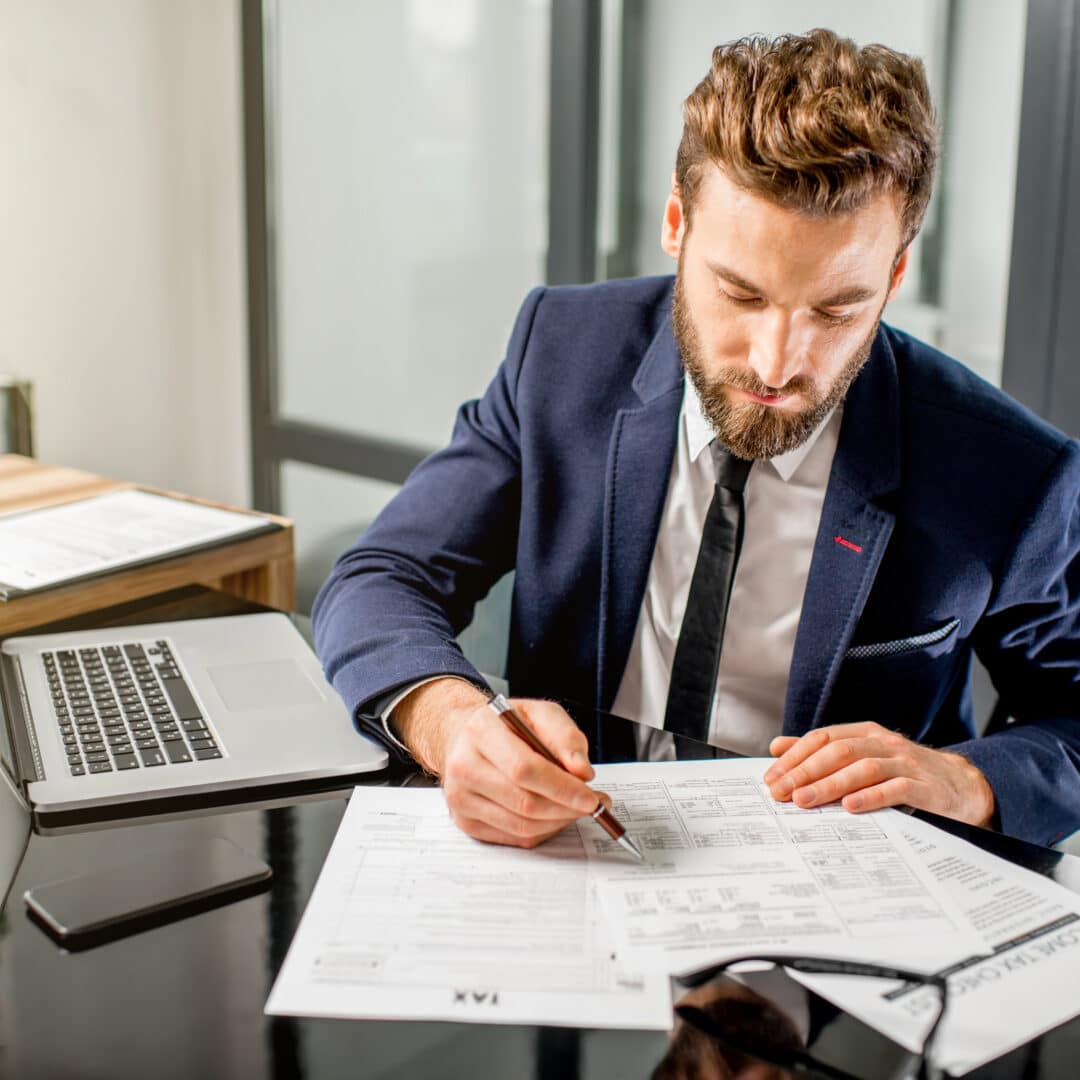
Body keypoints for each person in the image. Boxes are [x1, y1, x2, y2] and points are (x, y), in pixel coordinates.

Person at [313, 29, 1080, 851]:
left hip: (840, 900)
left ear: (894, 275)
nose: (778, 364)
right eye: (740, 294)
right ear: (677, 225)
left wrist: (965, 780)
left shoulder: (1010, 468)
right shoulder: (562, 352)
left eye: (835, 310)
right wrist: (449, 720)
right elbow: (383, 574)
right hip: (570, 859)